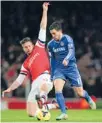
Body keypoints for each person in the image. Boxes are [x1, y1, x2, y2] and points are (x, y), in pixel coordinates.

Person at [2, 2, 57, 117]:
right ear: (23, 49)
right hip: (34, 84)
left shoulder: (39, 46)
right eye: (25, 47)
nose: (27, 48)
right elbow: (19, 80)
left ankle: (42, 98)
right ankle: (51, 105)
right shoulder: (25, 64)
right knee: (31, 114)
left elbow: (43, 27)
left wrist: (45, 11)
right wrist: (9, 89)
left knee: (44, 86)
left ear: (32, 45)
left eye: (29, 46)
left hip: (45, 77)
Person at [47, 21, 96, 120]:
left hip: (71, 69)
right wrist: (52, 73)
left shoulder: (67, 39)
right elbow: (52, 59)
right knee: (57, 89)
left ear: (60, 31)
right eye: (51, 34)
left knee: (80, 93)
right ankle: (63, 113)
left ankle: (88, 98)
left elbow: (71, 51)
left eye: (54, 33)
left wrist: (67, 59)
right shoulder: (50, 45)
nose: (52, 36)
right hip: (59, 70)